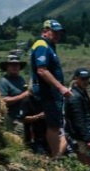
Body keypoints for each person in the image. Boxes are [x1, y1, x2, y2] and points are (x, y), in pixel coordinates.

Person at [29, 19, 67, 157]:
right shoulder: (42, 45)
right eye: (54, 32)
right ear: (45, 31)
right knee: (53, 125)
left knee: (54, 124)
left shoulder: (49, 46)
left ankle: (54, 154)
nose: (58, 35)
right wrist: (60, 87)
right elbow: (42, 70)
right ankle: (55, 155)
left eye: (59, 33)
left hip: (51, 92)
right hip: (47, 92)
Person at [63, 68, 90, 166]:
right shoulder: (75, 96)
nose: (85, 81)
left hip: (85, 136)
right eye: (83, 79)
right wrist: (88, 139)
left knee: (88, 164)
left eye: (87, 79)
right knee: (86, 164)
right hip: (82, 138)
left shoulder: (81, 93)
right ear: (76, 79)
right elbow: (78, 120)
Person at [0, 50, 30, 137]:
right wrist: (22, 96)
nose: (15, 67)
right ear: (7, 67)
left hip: (23, 117)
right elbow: (3, 101)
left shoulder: (21, 79)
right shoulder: (3, 82)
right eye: (12, 65)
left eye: (16, 65)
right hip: (12, 119)